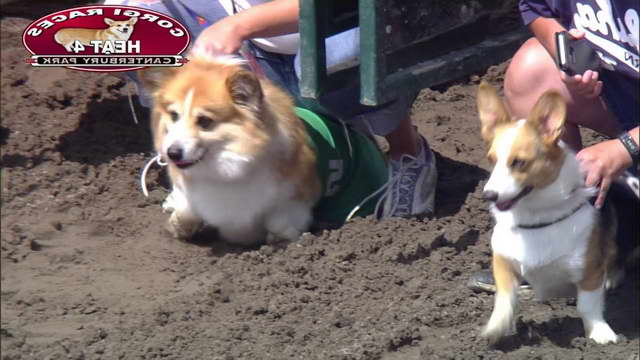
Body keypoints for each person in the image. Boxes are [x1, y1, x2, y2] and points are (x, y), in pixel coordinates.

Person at [106, 0, 437, 219]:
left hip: (331, 36)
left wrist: (239, 27)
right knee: (128, 25)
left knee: (354, 52)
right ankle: (198, 151)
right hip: (258, 47)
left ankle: (407, 153)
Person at [468, 0, 639, 293]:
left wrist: (625, 148)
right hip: (621, 101)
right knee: (531, 72)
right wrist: (569, 56)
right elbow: (537, 9)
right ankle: (565, 249)